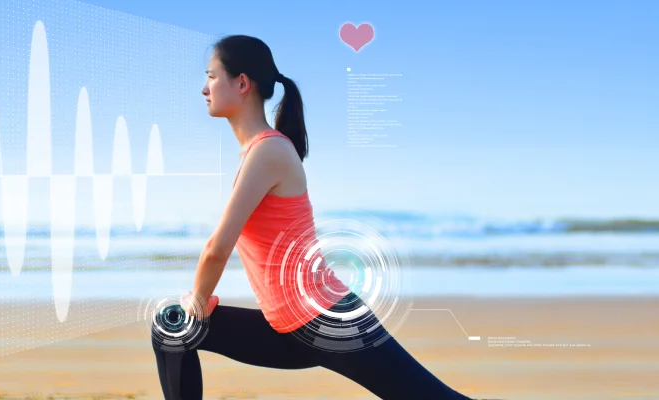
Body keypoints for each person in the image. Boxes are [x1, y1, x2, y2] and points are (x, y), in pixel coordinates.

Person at [149, 34, 474, 400]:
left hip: (327, 322)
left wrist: (198, 302)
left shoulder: (268, 151)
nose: (204, 88)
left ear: (241, 83)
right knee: (170, 327)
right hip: (288, 328)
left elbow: (216, 249)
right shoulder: (257, 152)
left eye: (211, 76)